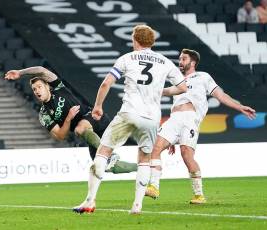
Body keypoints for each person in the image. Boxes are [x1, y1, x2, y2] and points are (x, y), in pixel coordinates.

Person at [72, 25, 187, 214]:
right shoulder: (165, 62)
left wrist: (98, 106)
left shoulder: (127, 58)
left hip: (129, 113)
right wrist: (161, 92)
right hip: (151, 118)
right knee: (144, 159)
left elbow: (106, 83)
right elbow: (183, 88)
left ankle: (90, 201)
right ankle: (137, 206)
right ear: (152, 42)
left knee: (103, 152)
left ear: (135, 39)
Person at [146, 49, 256, 208]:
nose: (180, 62)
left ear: (193, 62)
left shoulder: (203, 77)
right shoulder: (177, 80)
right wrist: (155, 91)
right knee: (155, 148)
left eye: (183, 59)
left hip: (190, 119)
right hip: (174, 120)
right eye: (180, 59)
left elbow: (221, 95)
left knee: (187, 156)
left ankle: (199, 194)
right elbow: (169, 92)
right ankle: (154, 187)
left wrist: (239, 107)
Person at [4, 66, 137, 174]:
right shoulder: (44, 114)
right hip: (89, 135)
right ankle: (142, 168)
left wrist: (20, 73)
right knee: (103, 167)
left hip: (95, 118)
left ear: (47, 86)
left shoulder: (58, 87)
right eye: (34, 89)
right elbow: (61, 135)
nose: (37, 91)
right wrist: (68, 119)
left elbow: (41, 70)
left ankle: (110, 155)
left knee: (80, 128)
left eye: (39, 86)